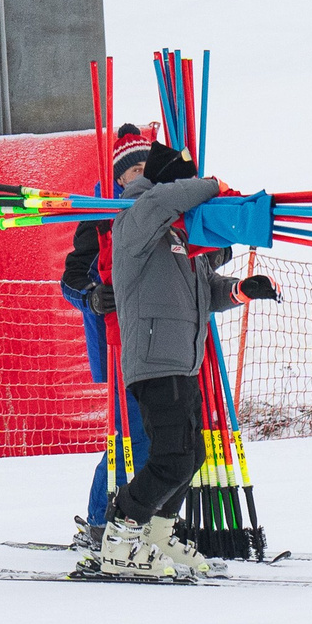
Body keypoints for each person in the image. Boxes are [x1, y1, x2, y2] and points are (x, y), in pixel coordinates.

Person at [97, 143, 279, 579]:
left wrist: (241, 290)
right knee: (172, 458)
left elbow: (206, 291)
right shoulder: (134, 219)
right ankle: (119, 538)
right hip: (154, 359)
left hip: (183, 359)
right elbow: (160, 199)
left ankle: (158, 532)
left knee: (191, 454)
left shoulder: (181, 236)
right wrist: (212, 185)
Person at [57, 128, 158, 551]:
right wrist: (93, 296)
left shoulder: (165, 205)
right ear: (118, 178)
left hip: (166, 336)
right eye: (133, 170)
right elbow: (71, 280)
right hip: (120, 340)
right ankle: (101, 521)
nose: (141, 175)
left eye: (147, 167)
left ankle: (152, 521)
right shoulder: (100, 213)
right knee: (131, 435)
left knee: (168, 435)